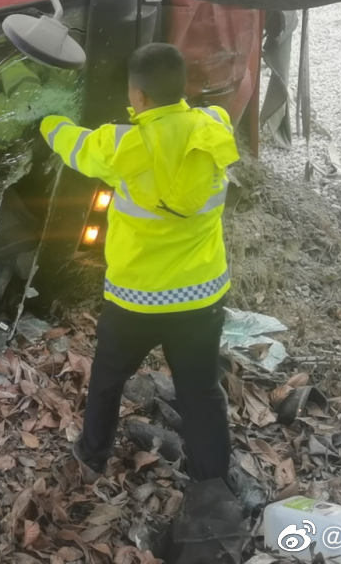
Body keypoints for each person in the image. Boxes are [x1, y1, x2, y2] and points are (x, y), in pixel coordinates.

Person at [39, 43, 239, 484]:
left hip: (135, 300)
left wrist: (47, 120)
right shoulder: (215, 126)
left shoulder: (119, 144)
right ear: (182, 86)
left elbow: (71, 145)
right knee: (201, 391)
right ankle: (212, 482)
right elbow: (207, 118)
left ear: (139, 96)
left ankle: (92, 457)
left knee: (108, 380)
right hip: (201, 296)